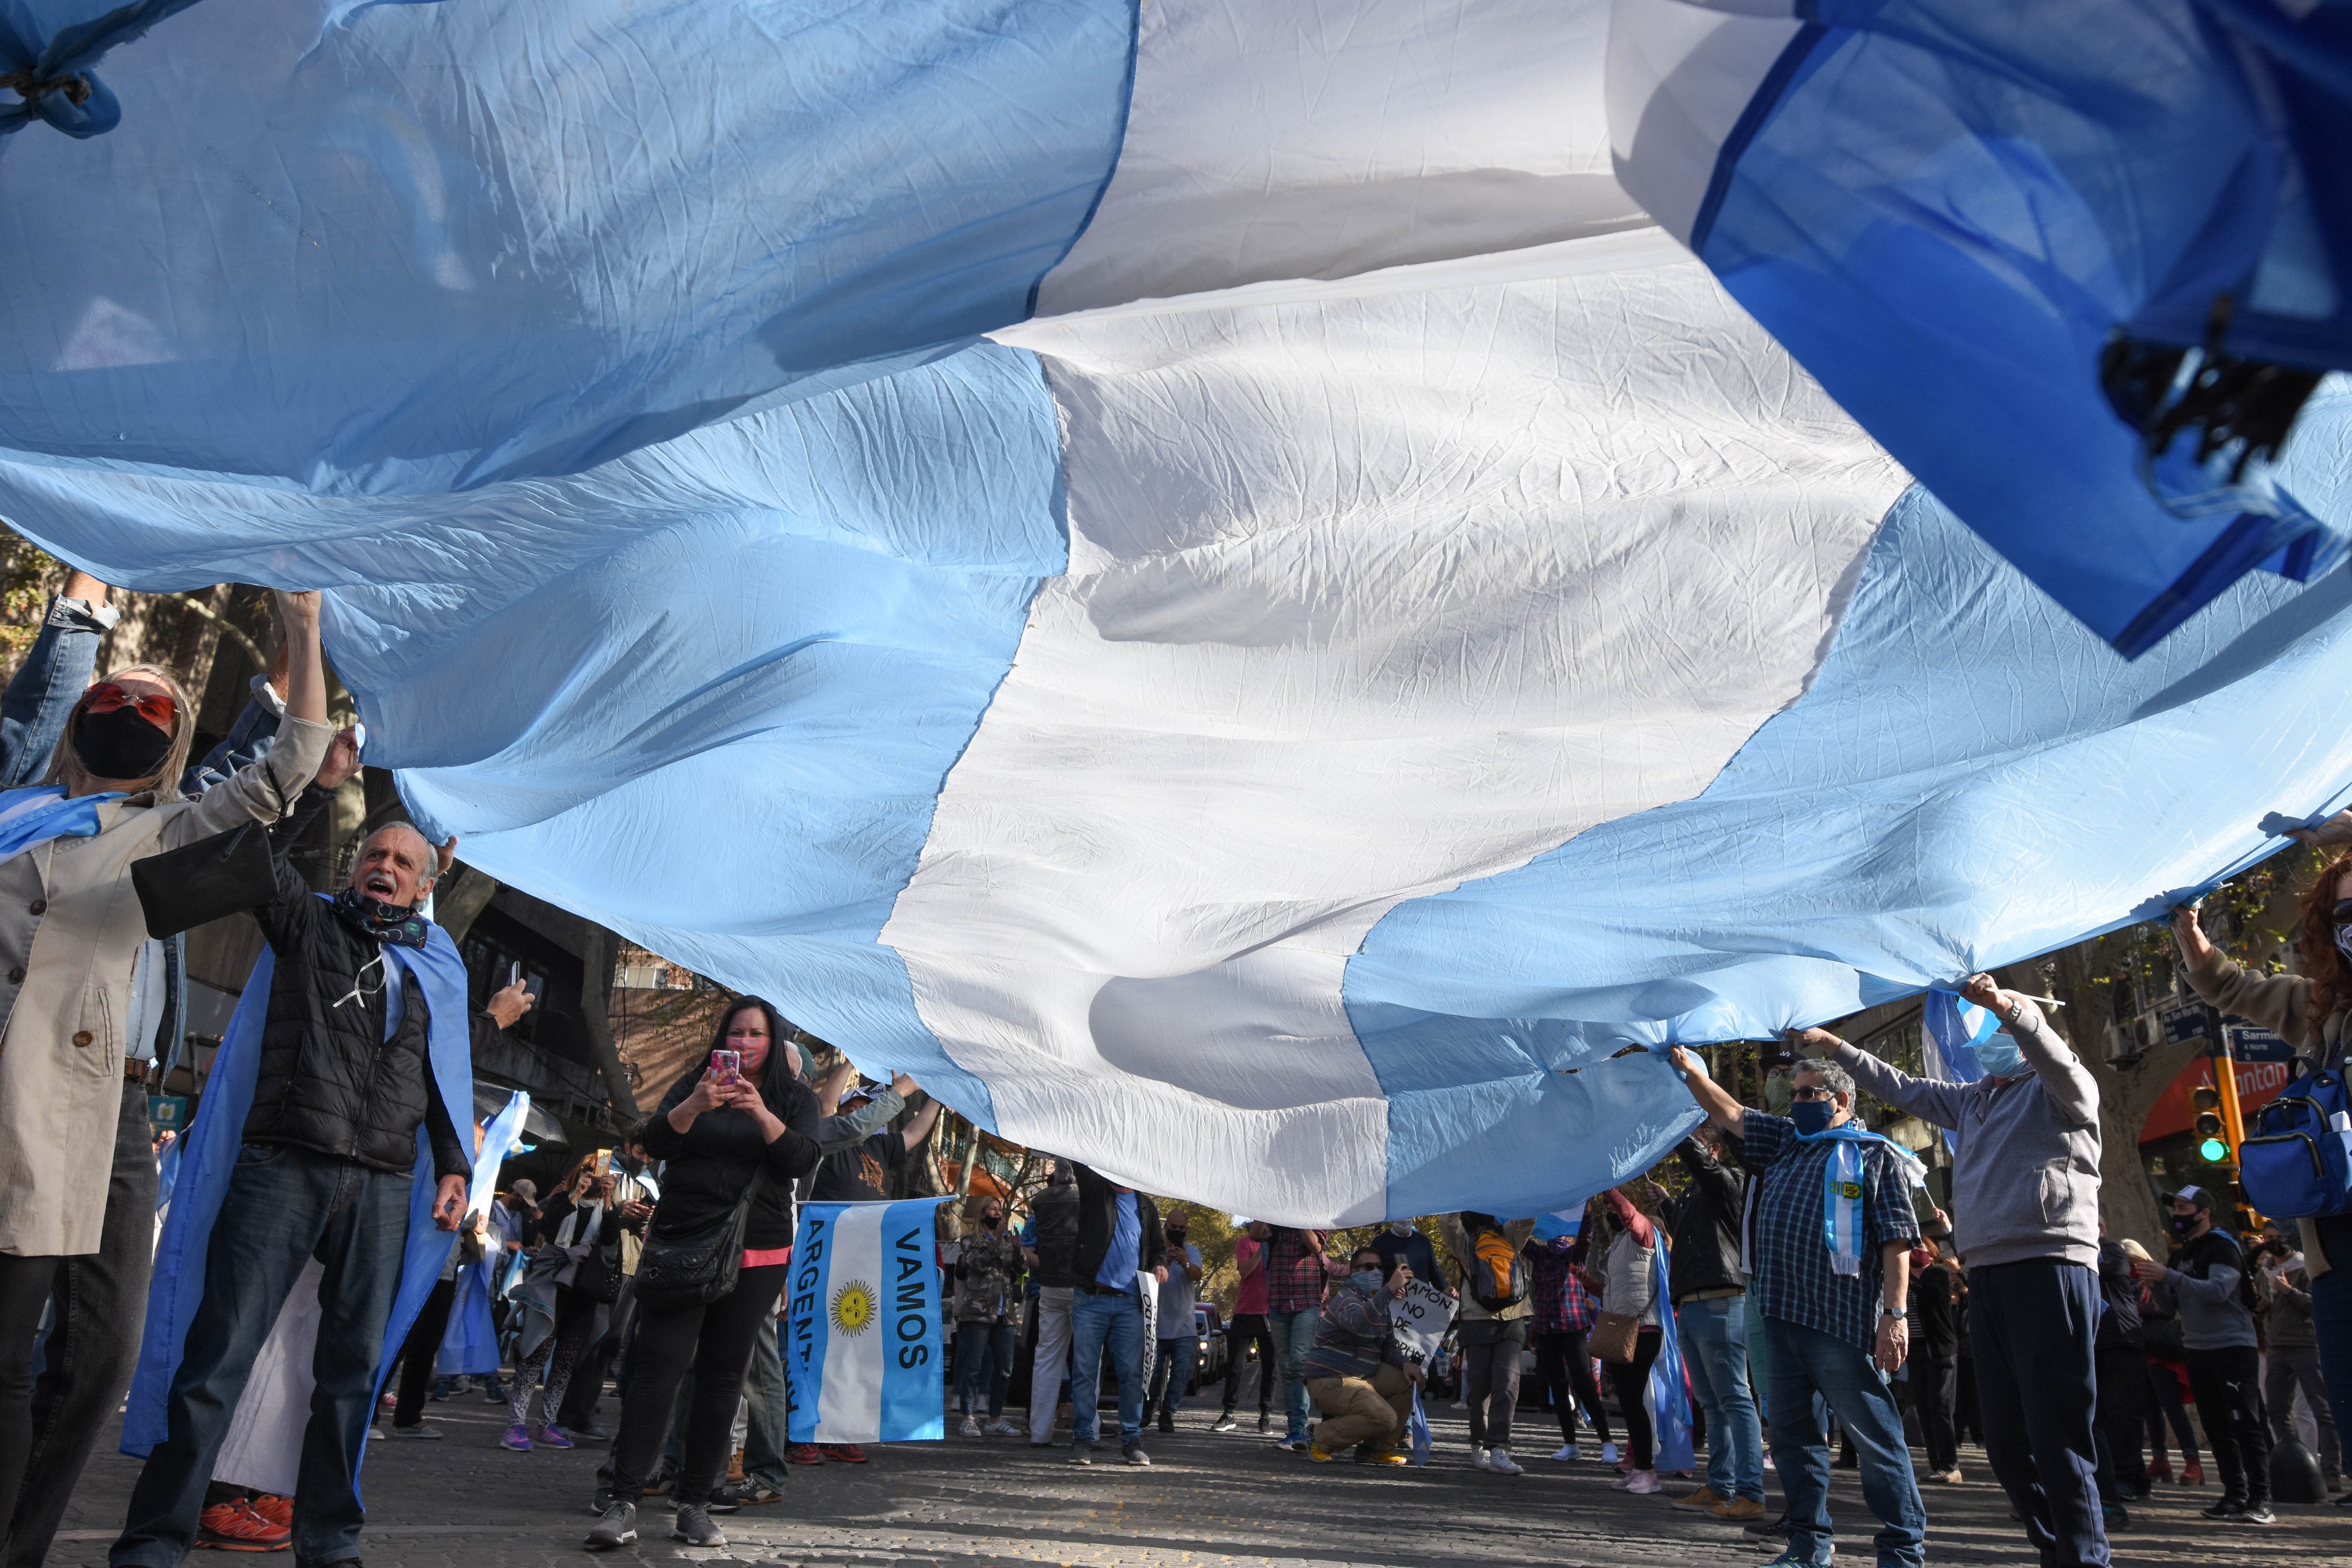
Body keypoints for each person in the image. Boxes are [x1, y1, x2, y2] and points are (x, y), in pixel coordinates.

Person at [114, 791, 533, 1568]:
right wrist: (306, 777)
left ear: (421, 885)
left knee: (349, 1376)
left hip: (379, 1186)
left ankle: (329, 1540)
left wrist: (452, 1163)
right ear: (356, 865)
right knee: (217, 1360)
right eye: (376, 854)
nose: (385, 867)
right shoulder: (307, 920)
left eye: (403, 862)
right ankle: (154, 1539)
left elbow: (442, 1073)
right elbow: (253, 859)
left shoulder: (438, 961)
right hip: (283, 1165)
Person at [1798, 971, 2107, 1568]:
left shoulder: (2062, 1091)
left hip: (2050, 1269)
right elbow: (1902, 1086)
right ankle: (2054, 1552)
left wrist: (2007, 1007)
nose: (1986, 1044)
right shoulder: (1973, 1100)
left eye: (2000, 1031)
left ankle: (2085, 1559)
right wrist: (1835, 1047)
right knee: (2006, 1440)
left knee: (2057, 1436)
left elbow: (2054, 1057)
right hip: (1988, 1277)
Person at [1668, 1046, 1926, 1568]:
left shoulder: (1875, 1156)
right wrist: (1691, 1073)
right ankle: (1808, 1544)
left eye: (1810, 1093)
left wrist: (1894, 1317)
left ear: (1842, 1099)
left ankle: (1902, 1549)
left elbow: (1897, 1242)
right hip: (1781, 1319)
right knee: (1791, 1439)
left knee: (1873, 1438)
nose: (1798, 1101)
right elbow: (1731, 1115)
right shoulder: (1786, 1142)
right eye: (1795, 1094)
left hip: (1839, 1324)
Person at [586, 997, 821, 1552]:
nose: (743, 1044)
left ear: (774, 1041)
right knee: (657, 1370)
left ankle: (694, 1504)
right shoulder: (696, 1083)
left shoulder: (794, 1098)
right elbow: (654, 1141)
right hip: (684, 1243)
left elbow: (801, 1160)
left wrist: (760, 1112)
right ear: (722, 1037)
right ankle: (622, 1499)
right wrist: (694, 1104)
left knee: (722, 1377)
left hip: (757, 1250)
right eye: (735, 1033)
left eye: (756, 1035)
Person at [2174, 847, 2352, 1510]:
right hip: (2336, 1258)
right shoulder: (2317, 1008)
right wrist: (2189, 932)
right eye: (2343, 913)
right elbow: (2232, 988)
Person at [2131, 1186, 2272, 1523]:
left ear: (2204, 1212)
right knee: (2216, 1426)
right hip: (2196, 1348)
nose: (2177, 1213)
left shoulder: (2222, 1246)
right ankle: (2234, 1494)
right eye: (2175, 1207)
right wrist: (2159, 1285)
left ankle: (2261, 1498)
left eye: (2184, 1206)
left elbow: (2219, 1291)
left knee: (2245, 1423)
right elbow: (2170, 1307)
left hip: (2232, 1347)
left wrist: (2171, 1277)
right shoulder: (2181, 1255)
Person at [1666, 1124, 1763, 1520]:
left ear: (1717, 1149)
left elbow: (1702, 1166)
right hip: (1692, 1305)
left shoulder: (1729, 1181)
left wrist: (1676, 1125)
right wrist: (1665, 1206)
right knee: (1712, 1402)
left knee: (1735, 1399)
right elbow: (1690, 1234)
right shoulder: (1695, 1193)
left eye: (1702, 1145)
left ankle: (1751, 1491)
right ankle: (1720, 1484)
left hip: (1721, 1303)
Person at [504, 1154, 624, 1450]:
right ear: (580, 1172)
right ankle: (515, 1426)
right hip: (551, 1281)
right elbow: (548, 1228)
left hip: (583, 1286)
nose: (595, 1180)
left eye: (601, 1175)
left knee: (566, 1360)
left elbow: (610, 1239)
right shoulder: (561, 1199)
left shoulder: (607, 1207)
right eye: (590, 1172)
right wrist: (575, 1194)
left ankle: (548, 1424)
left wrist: (609, 1200)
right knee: (536, 1351)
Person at [1065, 1164, 1167, 1466]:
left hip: (1131, 1304)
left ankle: (1132, 1439)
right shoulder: (1097, 1191)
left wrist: (1160, 1264)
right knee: (1084, 1373)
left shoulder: (1147, 1206)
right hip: (1090, 1300)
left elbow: (1158, 1247)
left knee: (1133, 1375)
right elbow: (1079, 1160)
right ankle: (1083, 1438)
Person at [1302, 1246, 1420, 1464]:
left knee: (1409, 1382)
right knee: (1385, 1418)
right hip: (1331, 1380)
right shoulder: (1347, 1299)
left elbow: (1389, 1348)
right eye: (1368, 1267)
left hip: (1364, 1377)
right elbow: (1358, 1324)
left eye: (1379, 1267)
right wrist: (1388, 1291)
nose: (1375, 1271)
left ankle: (1375, 1450)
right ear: (1353, 1272)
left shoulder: (1379, 1304)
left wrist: (1406, 1364)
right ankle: (1318, 1436)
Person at [1439, 1210, 1535, 1475]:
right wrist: (1458, 1193)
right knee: (1480, 1388)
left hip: (1513, 1319)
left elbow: (1527, 1218)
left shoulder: (1510, 1236)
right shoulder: (1465, 1243)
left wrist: (1521, 1191)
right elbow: (1448, 1223)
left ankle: (1499, 1449)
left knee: (1507, 1382)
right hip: (1478, 1321)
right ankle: (1478, 1443)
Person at [1594, 1188, 1664, 1495]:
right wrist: (1586, 1282)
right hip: (1623, 1329)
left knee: (1635, 1401)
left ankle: (1648, 1471)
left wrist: (1608, 1187)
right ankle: (1639, 1467)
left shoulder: (1643, 1233)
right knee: (1628, 1401)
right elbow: (1614, 1289)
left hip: (1643, 1330)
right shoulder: (1619, 1243)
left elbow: (1627, 1212)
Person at [2257, 1238, 2342, 1491]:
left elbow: (2318, 1305)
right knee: (2277, 1409)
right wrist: (2259, 1308)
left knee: (2321, 1408)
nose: (2275, 1243)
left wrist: (2288, 1291)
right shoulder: (2264, 1272)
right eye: (2269, 1237)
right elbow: (2263, 1308)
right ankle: (2292, 1464)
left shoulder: (2307, 1267)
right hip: (2276, 1347)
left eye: (2280, 1237)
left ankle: (2331, 1471)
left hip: (2306, 1345)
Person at [1526, 1223, 1611, 1464]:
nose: (1557, 1237)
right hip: (1546, 1328)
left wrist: (1585, 1212)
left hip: (1572, 1325)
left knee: (1584, 1383)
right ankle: (1570, 1443)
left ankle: (1606, 1441)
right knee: (1559, 1387)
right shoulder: (1540, 1255)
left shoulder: (1573, 1255)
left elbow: (1586, 1237)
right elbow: (1520, 1239)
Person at [951, 1192, 1026, 1438]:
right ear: (983, 1214)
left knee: (1005, 1368)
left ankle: (995, 1419)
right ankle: (968, 1417)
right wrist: (995, 1239)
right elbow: (978, 1264)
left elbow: (1021, 1269)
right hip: (978, 1312)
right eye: (993, 1209)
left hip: (1004, 1313)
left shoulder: (1005, 1241)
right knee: (973, 1366)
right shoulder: (970, 1240)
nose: (998, 1213)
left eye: (999, 1209)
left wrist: (1017, 1250)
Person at [1263, 1225, 1343, 1453]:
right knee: (1286, 1366)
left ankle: (1301, 1427)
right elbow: (1256, 1233)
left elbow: (1316, 1247)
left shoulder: (1313, 1216)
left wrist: (1298, 1219)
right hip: (1278, 1298)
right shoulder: (1272, 1218)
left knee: (1300, 1363)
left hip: (1306, 1299)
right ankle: (1294, 1430)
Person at [1021, 1162, 1081, 1447]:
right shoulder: (1086, 1199)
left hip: (1048, 1286)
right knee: (1086, 1359)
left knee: (1046, 1359)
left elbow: (1029, 1248)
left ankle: (1040, 1430)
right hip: (1081, 1286)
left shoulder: (1041, 1202)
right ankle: (1088, 1428)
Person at [2091, 1228, 2149, 1505]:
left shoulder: (2112, 1251)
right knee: (2103, 1412)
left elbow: (2103, 1268)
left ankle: (2126, 1477)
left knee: (2122, 1411)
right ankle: (2133, 1477)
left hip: (2120, 1338)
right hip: (2094, 1342)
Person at [1211, 1219, 1277, 1434]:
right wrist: (1261, 1250)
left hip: (1270, 1313)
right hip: (1245, 1312)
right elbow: (1245, 1271)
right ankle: (1228, 1413)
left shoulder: (1279, 1244)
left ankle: (1265, 1415)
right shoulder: (1244, 1243)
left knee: (1270, 1367)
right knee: (1235, 1366)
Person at [1143, 1209, 1204, 1433]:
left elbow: (1196, 1276)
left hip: (1185, 1326)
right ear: (1165, 1227)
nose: (1177, 1232)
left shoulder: (1193, 1251)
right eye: (1173, 1228)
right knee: (1153, 1373)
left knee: (1182, 1373)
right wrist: (1165, 1262)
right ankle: (1147, 1412)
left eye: (1182, 1229)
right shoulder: (1155, 1250)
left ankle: (1168, 1413)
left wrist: (1185, 1262)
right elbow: (1147, 1280)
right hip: (1157, 1325)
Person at [1912, 1232, 1963, 1485]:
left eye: (1920, 1247)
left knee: (1940, 1406)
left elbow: (1929, 1296)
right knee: (1924, 1407)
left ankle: (1950, 1465)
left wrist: (1907, 1277)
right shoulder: (1905, 1279)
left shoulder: (1938, 1275)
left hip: (1941, 1351)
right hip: (1917, 1350)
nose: (1915, 1251)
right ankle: (1937, 1465)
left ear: (1931, 1253)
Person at [1370, 1219, 1440, 1289]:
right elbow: (1373, 1275)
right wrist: (1388, 1291)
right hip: (1391, 1298)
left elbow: (1434, 1273)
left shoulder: (1423, 1242)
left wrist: (1444, 1289)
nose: (1405, 1220)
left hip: (1422, 1297)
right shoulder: (1379, 1243)